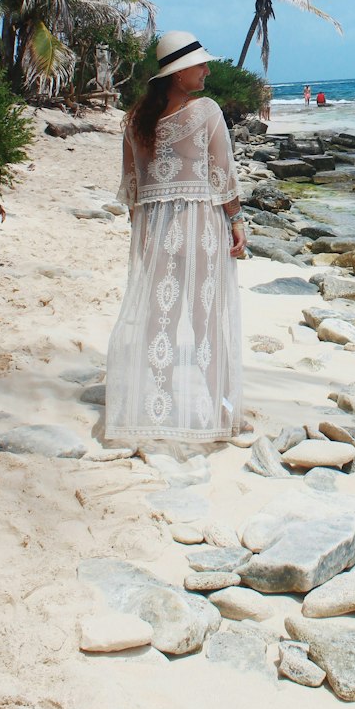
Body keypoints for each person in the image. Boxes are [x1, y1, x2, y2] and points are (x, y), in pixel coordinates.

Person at [105, 30, 246, 446]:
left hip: (154, 227)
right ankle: (221, 409)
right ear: (179, 73)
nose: (207, 69)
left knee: (155, 317)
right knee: (205, 318)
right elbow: (223, 176)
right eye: (200, 65)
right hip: (200, 223)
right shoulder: (205, 111)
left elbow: (133, 188)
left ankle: (159, 400)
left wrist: (145, 233)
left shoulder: (134, 120)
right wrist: (237, 222)